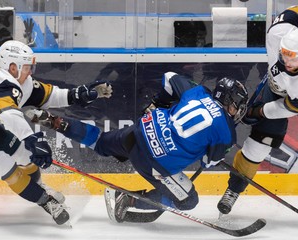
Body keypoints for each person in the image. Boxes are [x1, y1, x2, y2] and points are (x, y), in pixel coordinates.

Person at [26, 72, 248, 223]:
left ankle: (58, 122)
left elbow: (170, 78)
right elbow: (209, 162)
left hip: (139, 133)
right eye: (237, 105)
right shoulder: (227, 132)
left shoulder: (197, 92)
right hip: (155, 162)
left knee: (101, 143)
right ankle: (127, 199)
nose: (237, 111)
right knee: (189, 200)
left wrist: (158, 104)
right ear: (229, 101)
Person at [0, 40, 112, 225]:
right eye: (27, 67)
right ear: (12, 67)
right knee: (2, 164)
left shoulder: (19, 81)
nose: (31, 71)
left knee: (25, 155)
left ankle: (40, 188)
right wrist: (32, 138)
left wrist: (75, 95)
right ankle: (46, 202)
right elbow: (10, 116)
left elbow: (48, 95)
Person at [217, 5, 298, 215]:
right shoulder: (278, 32)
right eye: (285, 55)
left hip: (290, 101)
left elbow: (289, 107)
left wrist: (259, 112)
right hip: (276, 89)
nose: (287, 62)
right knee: (260, 145)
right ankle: (234, 189)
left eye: (294, 59)